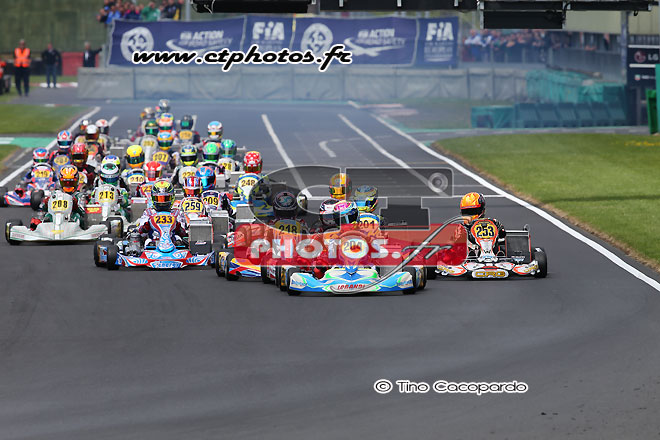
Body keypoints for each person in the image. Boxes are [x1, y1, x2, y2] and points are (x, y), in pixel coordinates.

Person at [29, 165, 87, 230]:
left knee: (77, 216)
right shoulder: (55, 194)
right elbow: (44, 209)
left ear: (77, 181)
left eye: (71, 183)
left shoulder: (80, 196)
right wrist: (46, 203)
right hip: (55, 219)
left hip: (71, 222)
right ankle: (43, 229)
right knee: (48, 216)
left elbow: (83, 213)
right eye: (65, 183)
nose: (68, 185)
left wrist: (76, 206)